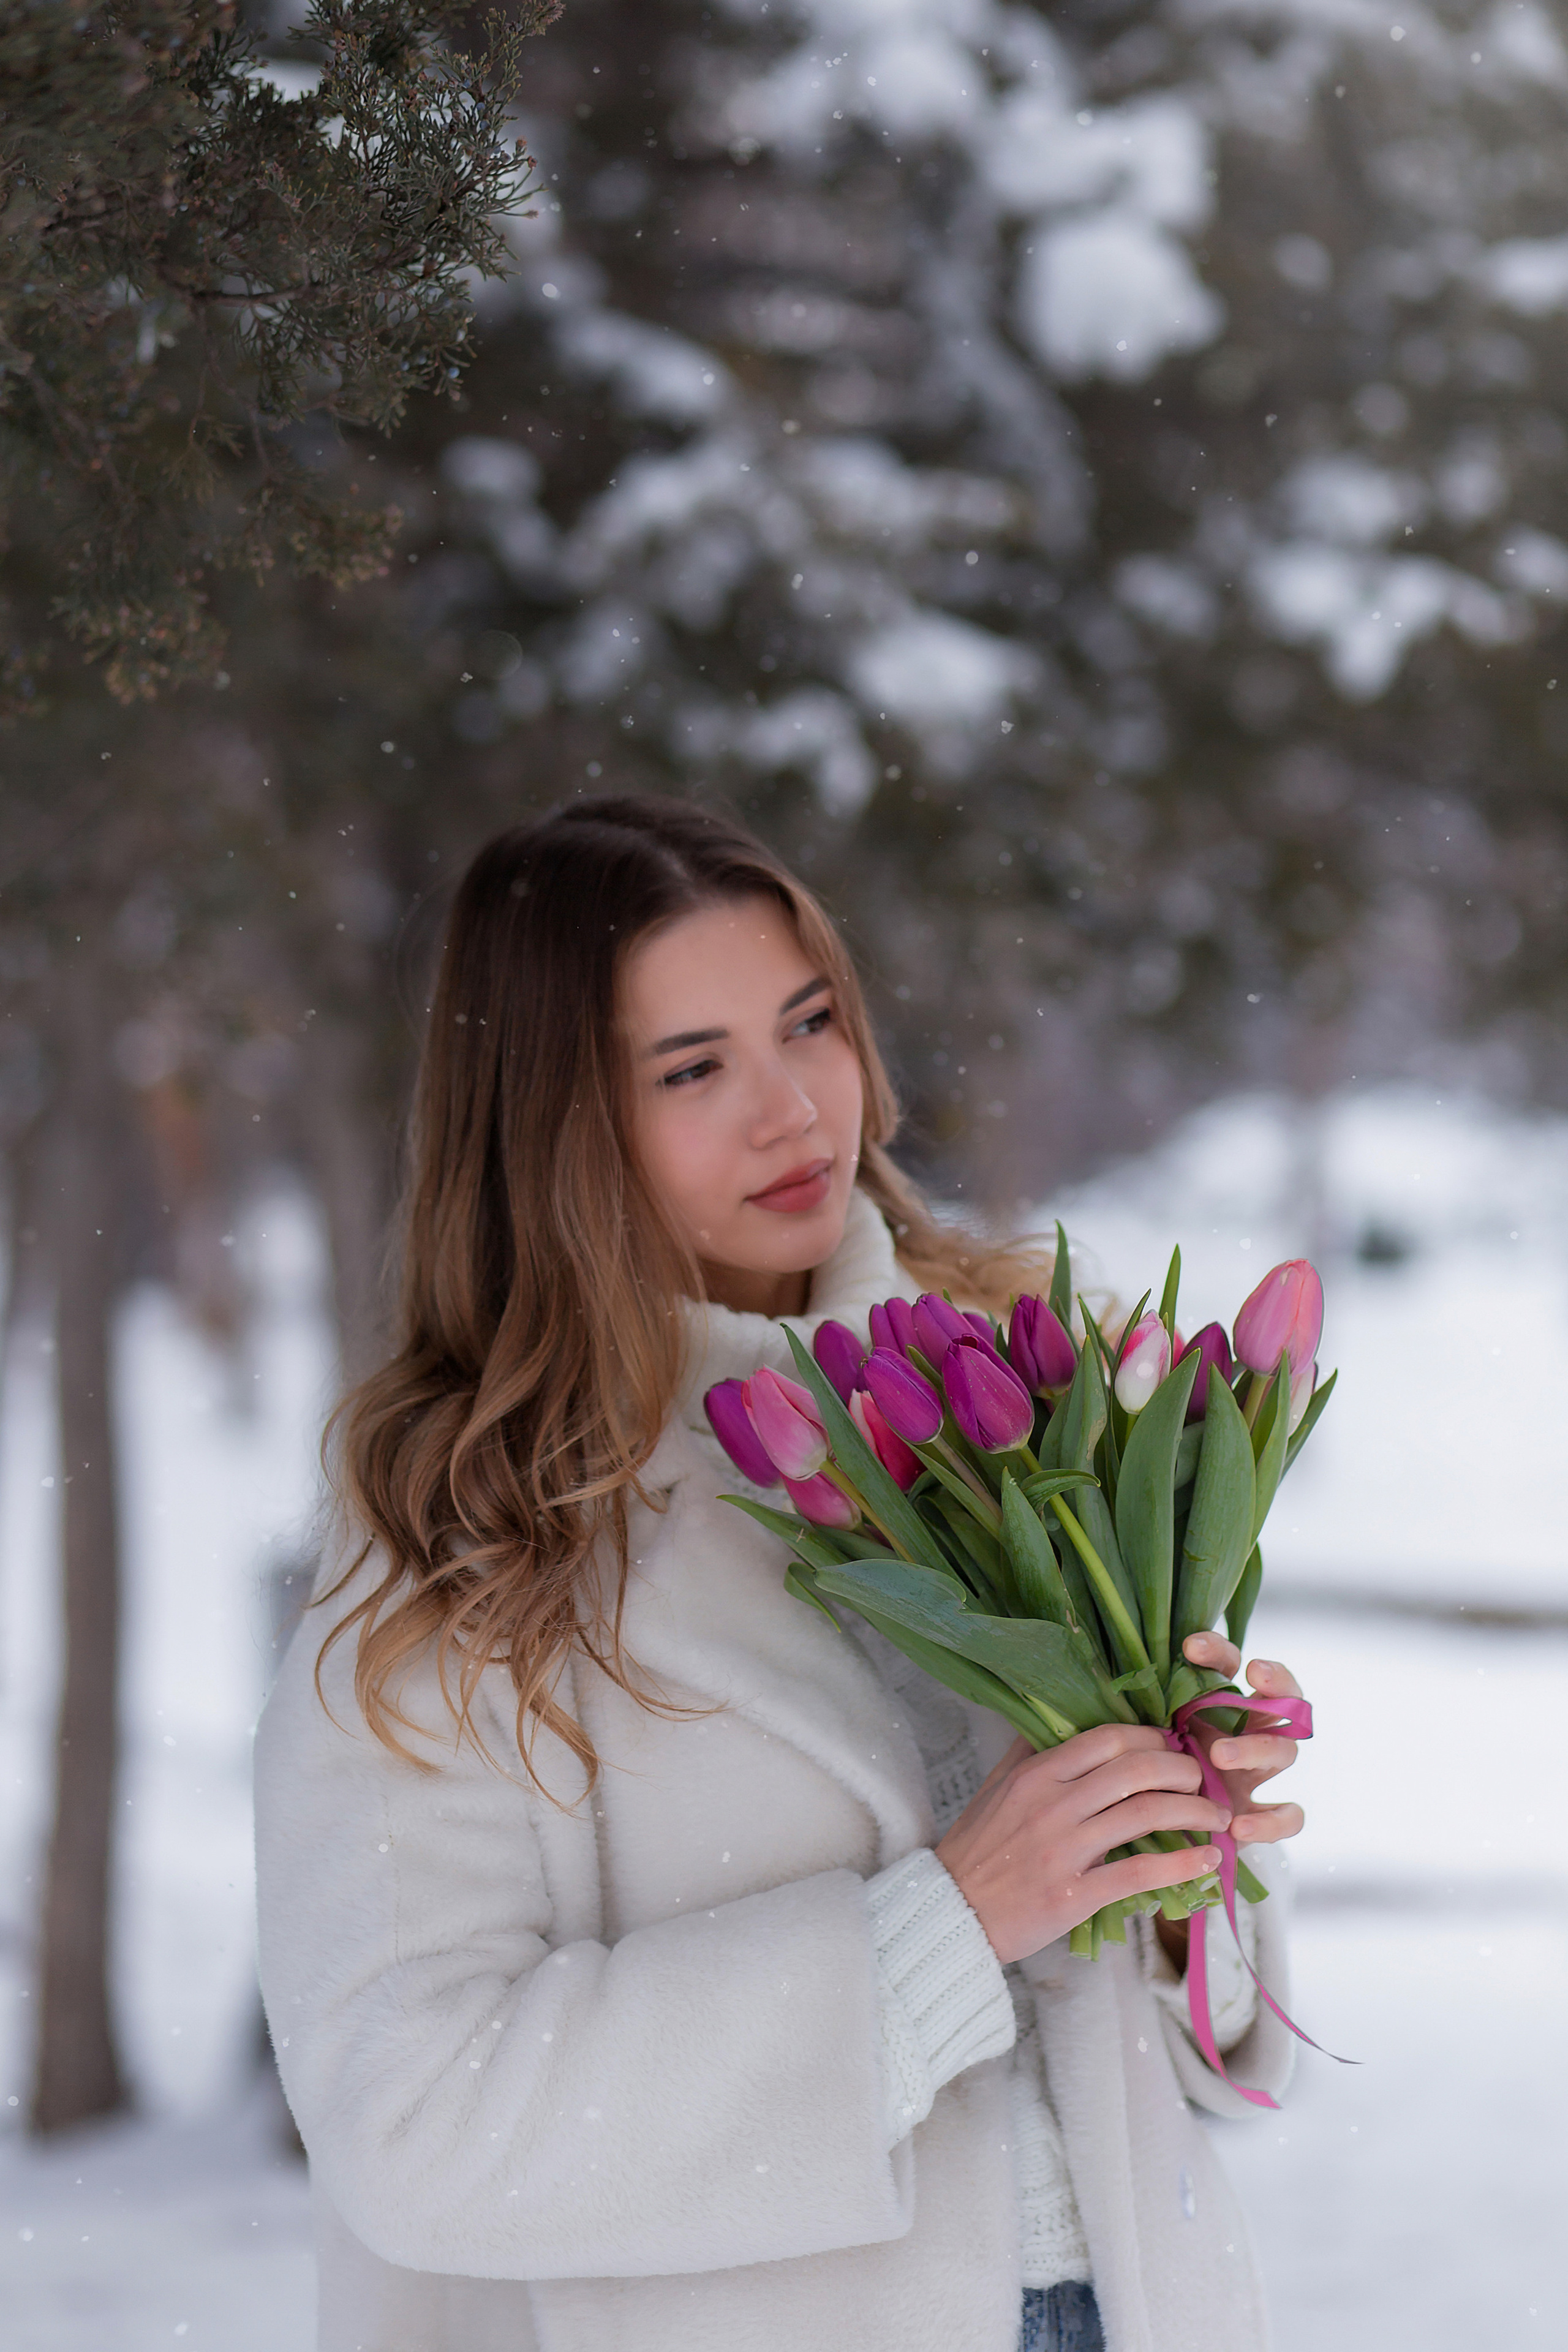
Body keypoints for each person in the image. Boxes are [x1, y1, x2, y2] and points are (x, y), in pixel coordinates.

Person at [254, 795, 1308, 2352]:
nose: (794, 1109)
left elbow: (1187, 2050)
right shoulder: (462, 1523)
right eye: (692, 1068)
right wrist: (948, 1923)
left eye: (806, 1023)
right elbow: (416, 2114)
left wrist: (1171, 1873)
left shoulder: (1036, 1390)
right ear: (554, 1126)